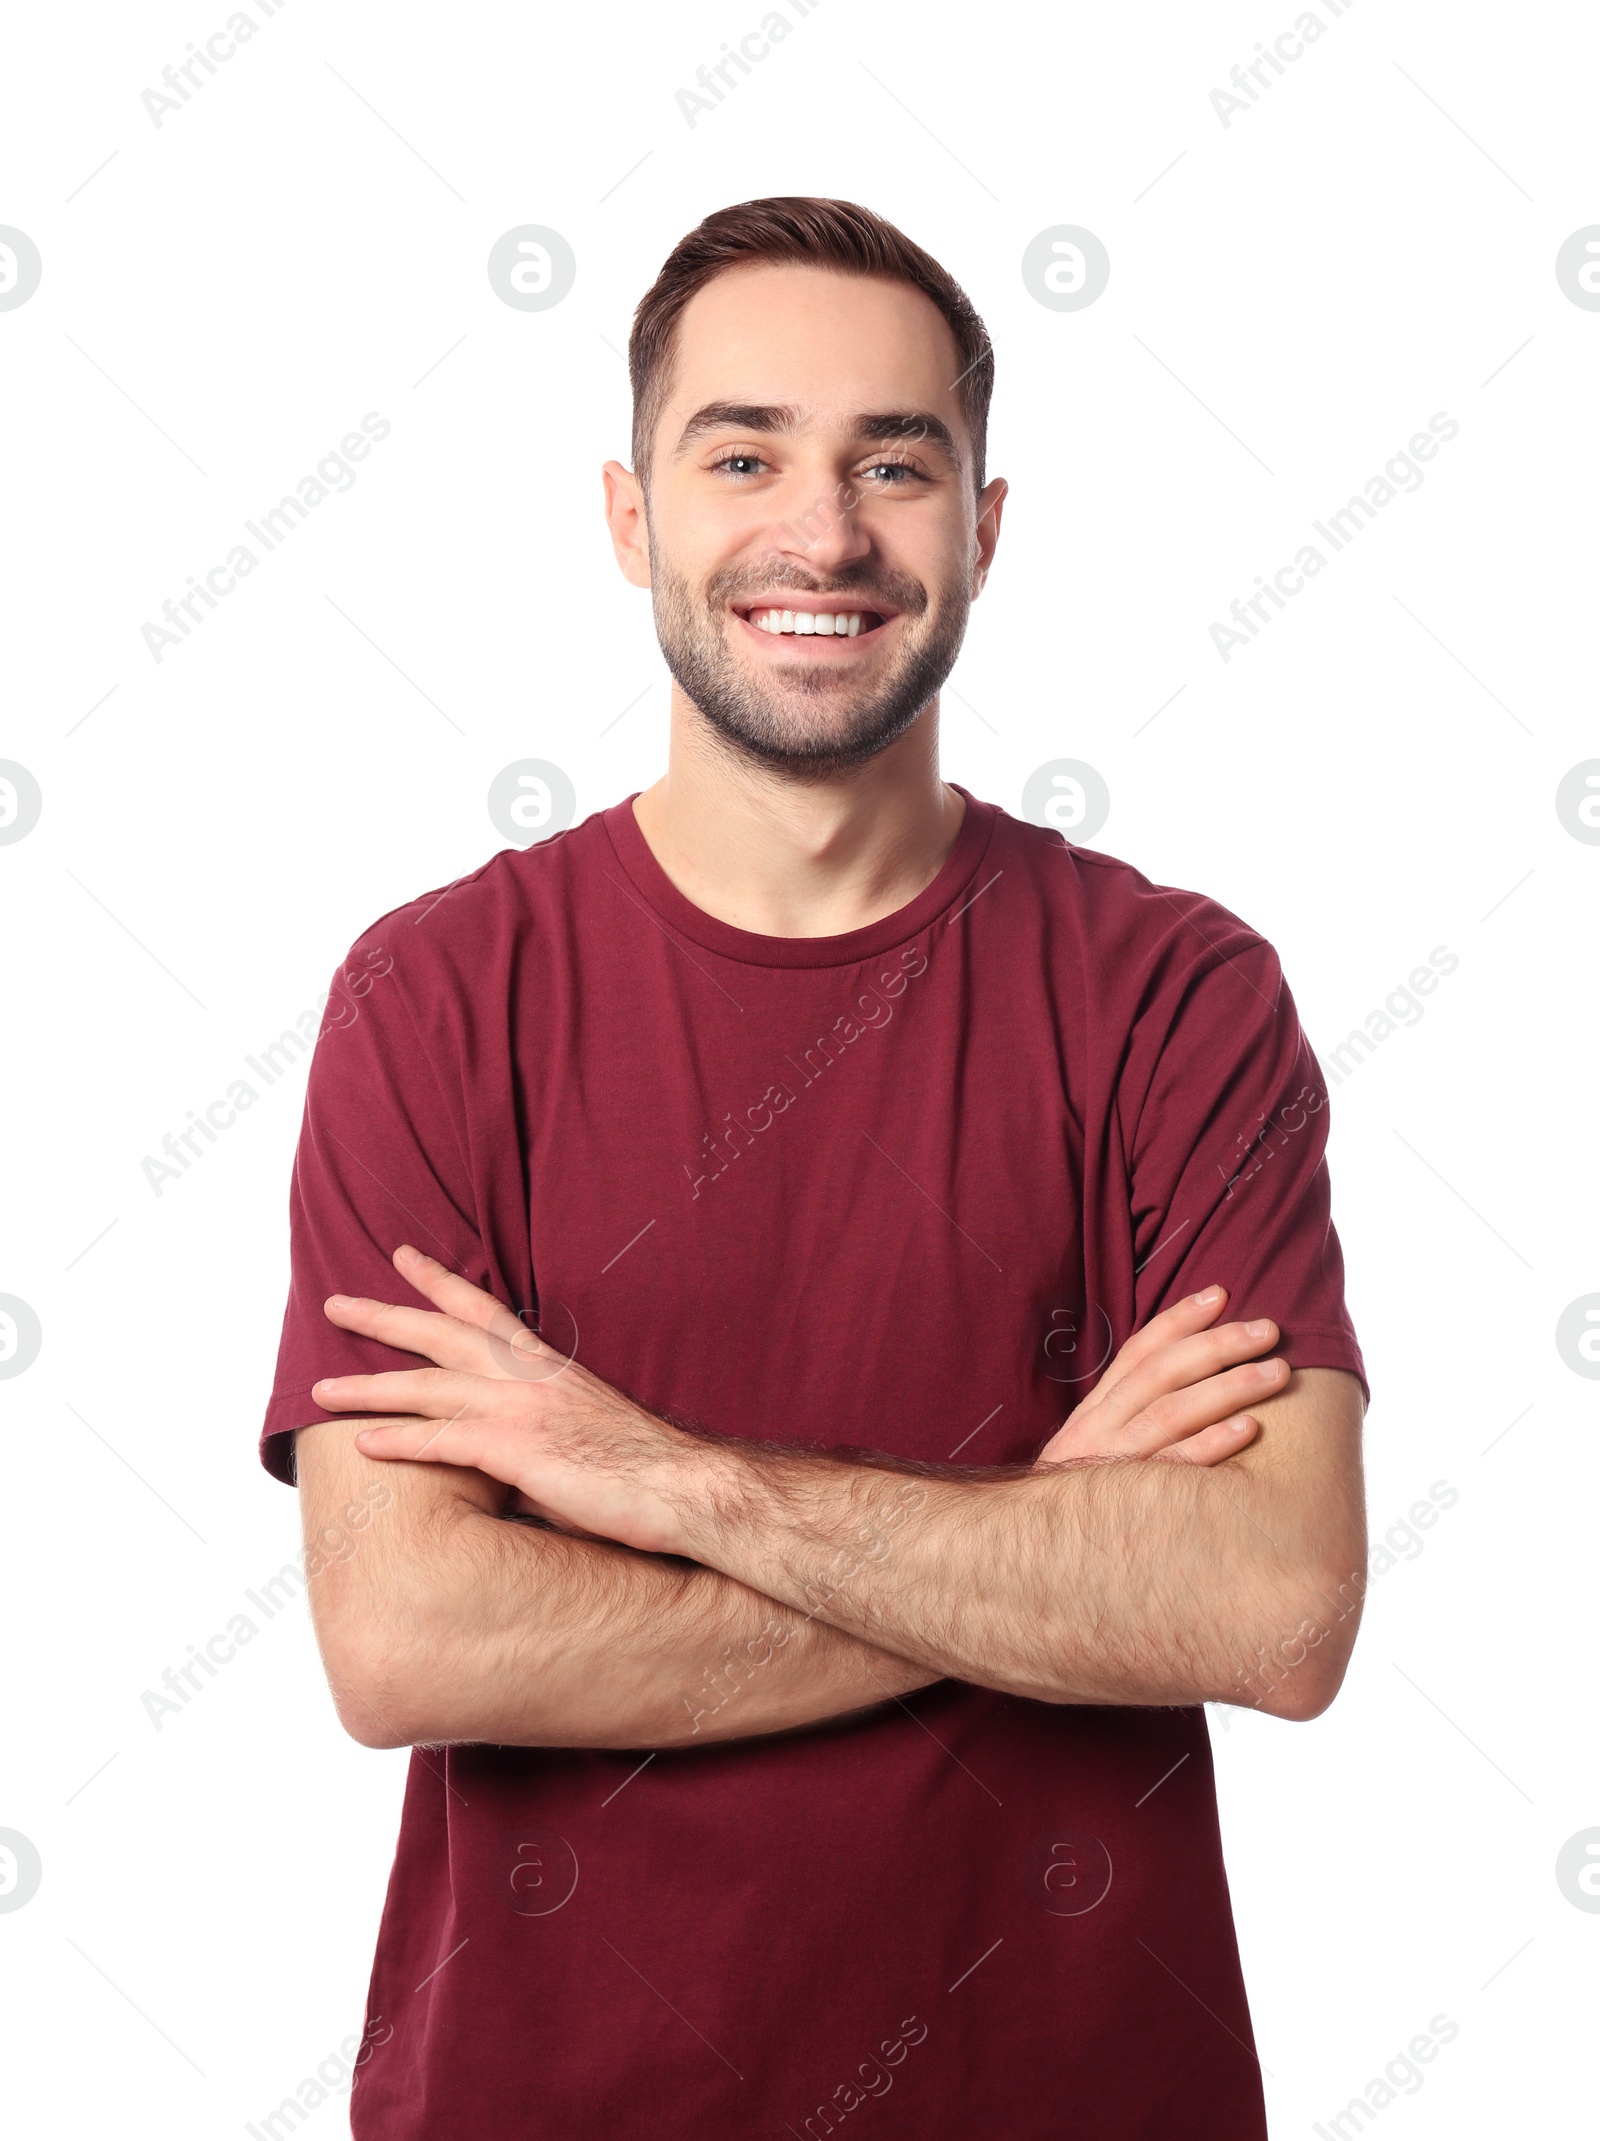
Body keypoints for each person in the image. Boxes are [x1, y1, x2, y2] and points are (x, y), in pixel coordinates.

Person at [262, 196, 1369, 2138]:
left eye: (894, 463)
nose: (823, 531)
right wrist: (1042, 1537)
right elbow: (407, 1635)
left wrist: (656, 1483)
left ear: (983, 529)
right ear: (628, 519)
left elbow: (1269, 1602)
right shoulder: (436, 997)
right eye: (743, 452)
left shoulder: (1171, 998)